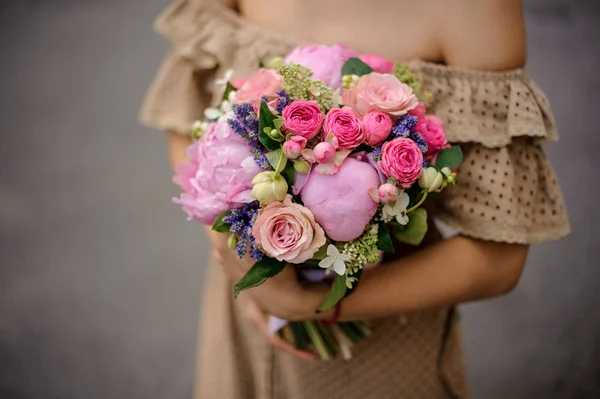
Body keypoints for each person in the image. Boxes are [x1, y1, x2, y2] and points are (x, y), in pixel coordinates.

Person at [140, 0, 570, 397]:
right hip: (239, 308)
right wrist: (239, 259)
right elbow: (187, 114)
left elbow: (498, 258)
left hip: (382, 333)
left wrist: (305, 305)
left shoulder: (475, 11)